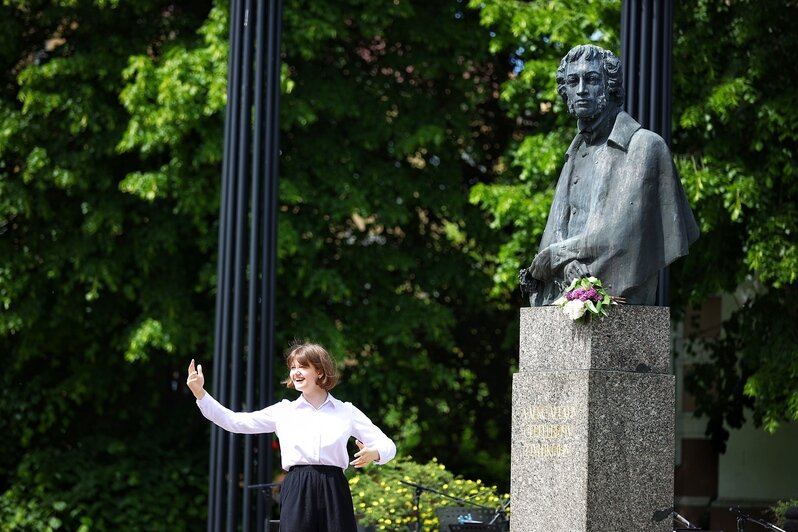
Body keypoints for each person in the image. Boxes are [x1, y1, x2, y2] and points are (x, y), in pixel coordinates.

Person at [519, 44, 699, 306]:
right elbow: (553, 233)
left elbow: (623, 236)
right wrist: (565, 264)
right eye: (573, 81)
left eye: (591, 79)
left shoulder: (646, 147)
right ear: (565, 92)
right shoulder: (574, 154)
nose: (581, 89)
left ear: (610, 86)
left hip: (620, 298)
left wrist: (554, 257)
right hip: (563, 300)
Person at [187, 341, 397, 532]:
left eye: (302, 366)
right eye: (293, 367)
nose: (295, 372)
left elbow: (387, 445)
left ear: (320, 371)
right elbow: (234, 421)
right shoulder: (284, 411)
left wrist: (375, 453)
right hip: (298, 487)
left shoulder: (346, 411)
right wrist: (200, 394)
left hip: (334, 488)